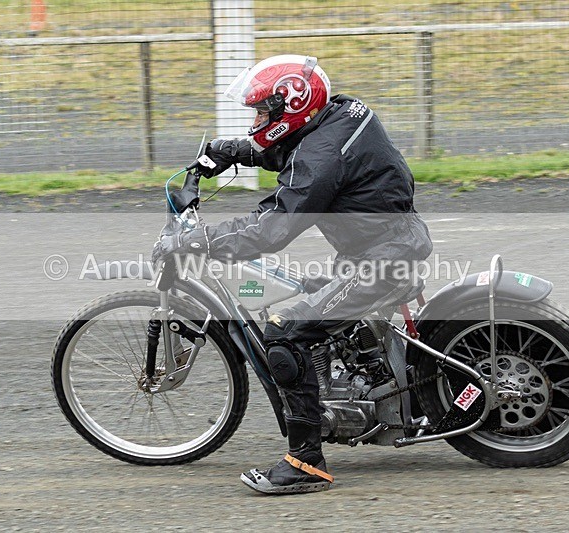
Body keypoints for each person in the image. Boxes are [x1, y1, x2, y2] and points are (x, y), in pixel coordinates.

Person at [152, 54, 433, 494]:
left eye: (264, 112)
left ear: (294, 104)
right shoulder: (340, 113)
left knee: (286, 334)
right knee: (310, 294)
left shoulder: (321, 155)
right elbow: (293, 150)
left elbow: (275, 225)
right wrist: (230, 152)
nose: (258, 120)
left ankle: (306, 463)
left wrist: (201, 241)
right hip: (383, 244)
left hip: (382, 259)